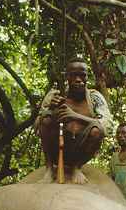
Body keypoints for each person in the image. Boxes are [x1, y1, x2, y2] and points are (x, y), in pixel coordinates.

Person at [35, 56, 113, 184]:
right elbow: (38, 126)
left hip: (80, 150)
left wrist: (75, 116)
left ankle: (77, 168)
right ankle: (49, 169)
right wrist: (51, 109)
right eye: (73, 75)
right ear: (67, 77)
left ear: (87, 77)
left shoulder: (94, 98)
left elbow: (106, 126)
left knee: (96, 131)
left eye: (82, 75)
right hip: (58, 148)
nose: (78, 80)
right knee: (45, 120)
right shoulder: (55, 95)